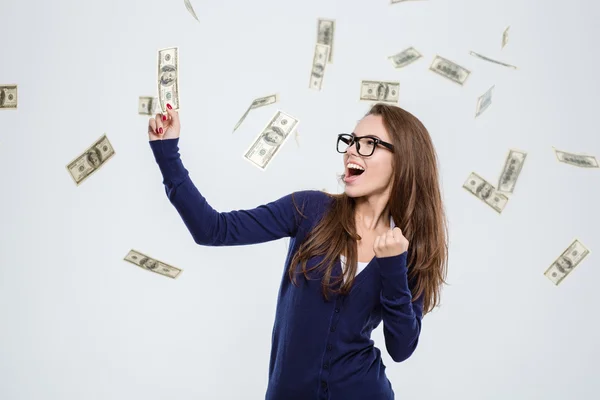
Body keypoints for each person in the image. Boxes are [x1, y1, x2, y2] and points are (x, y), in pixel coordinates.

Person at [147, 102, 448, 400]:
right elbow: (213, 229)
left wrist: (393, 266)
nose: (353, 150)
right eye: (352, 141)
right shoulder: (310, 210)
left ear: (403, 161)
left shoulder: (408, 249)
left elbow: (401, 347)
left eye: (370, 143)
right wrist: (167, 152)